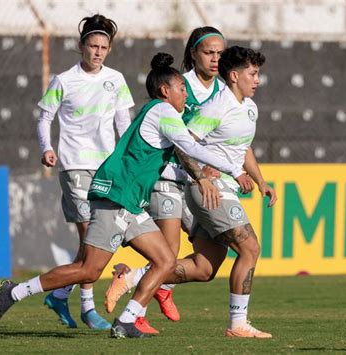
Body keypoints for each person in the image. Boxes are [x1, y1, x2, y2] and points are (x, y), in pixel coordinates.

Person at [0, 52, 253, 339]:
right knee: (88, 270)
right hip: (116, 197)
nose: (186, 97)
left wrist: (202, 174)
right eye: (182, 90)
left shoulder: (159, 113)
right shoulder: (163, 111)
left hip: (132, 204)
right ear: (166, 91)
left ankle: (126, 321)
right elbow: (192, 147)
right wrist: (235, 169)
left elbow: (174, 158)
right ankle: (14, 291)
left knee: (165, 261)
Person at [106, 46, 277, 338]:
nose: (257, 80)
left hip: (227, 188)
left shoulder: (249, 107)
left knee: (204, 268)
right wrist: (202, 178)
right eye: (253, 73)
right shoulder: (216, 107)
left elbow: (242, 146)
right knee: (250, 249)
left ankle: (131, 276)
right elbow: (185, 146)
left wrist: (260, 181)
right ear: (235, 76)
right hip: (212, 192)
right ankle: (238, 324)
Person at [104, 26, 228, 334]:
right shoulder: (175, 86)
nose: (215, 60)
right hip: (171, 178)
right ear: (193, 54)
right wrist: (202, 174)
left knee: (208, 261)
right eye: (209, 53)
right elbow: (181, 143)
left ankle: (144, 280)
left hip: (199, 182)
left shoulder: (224, 91)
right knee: (166, 253)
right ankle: (136, 314)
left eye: (220, 54)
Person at [36, 14, 134, 330]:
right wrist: (46, 148)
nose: (98, 52)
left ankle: (60, 293)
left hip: (106, 168)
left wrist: (129, 161)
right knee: (91, 238)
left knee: (96, 242)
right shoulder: (64, 80)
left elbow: (124, 125)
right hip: (74, 164)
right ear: (81, 46)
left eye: (103, 47)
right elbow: (43, 118)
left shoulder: (116, 79)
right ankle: (88, 309)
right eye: (93, 46)